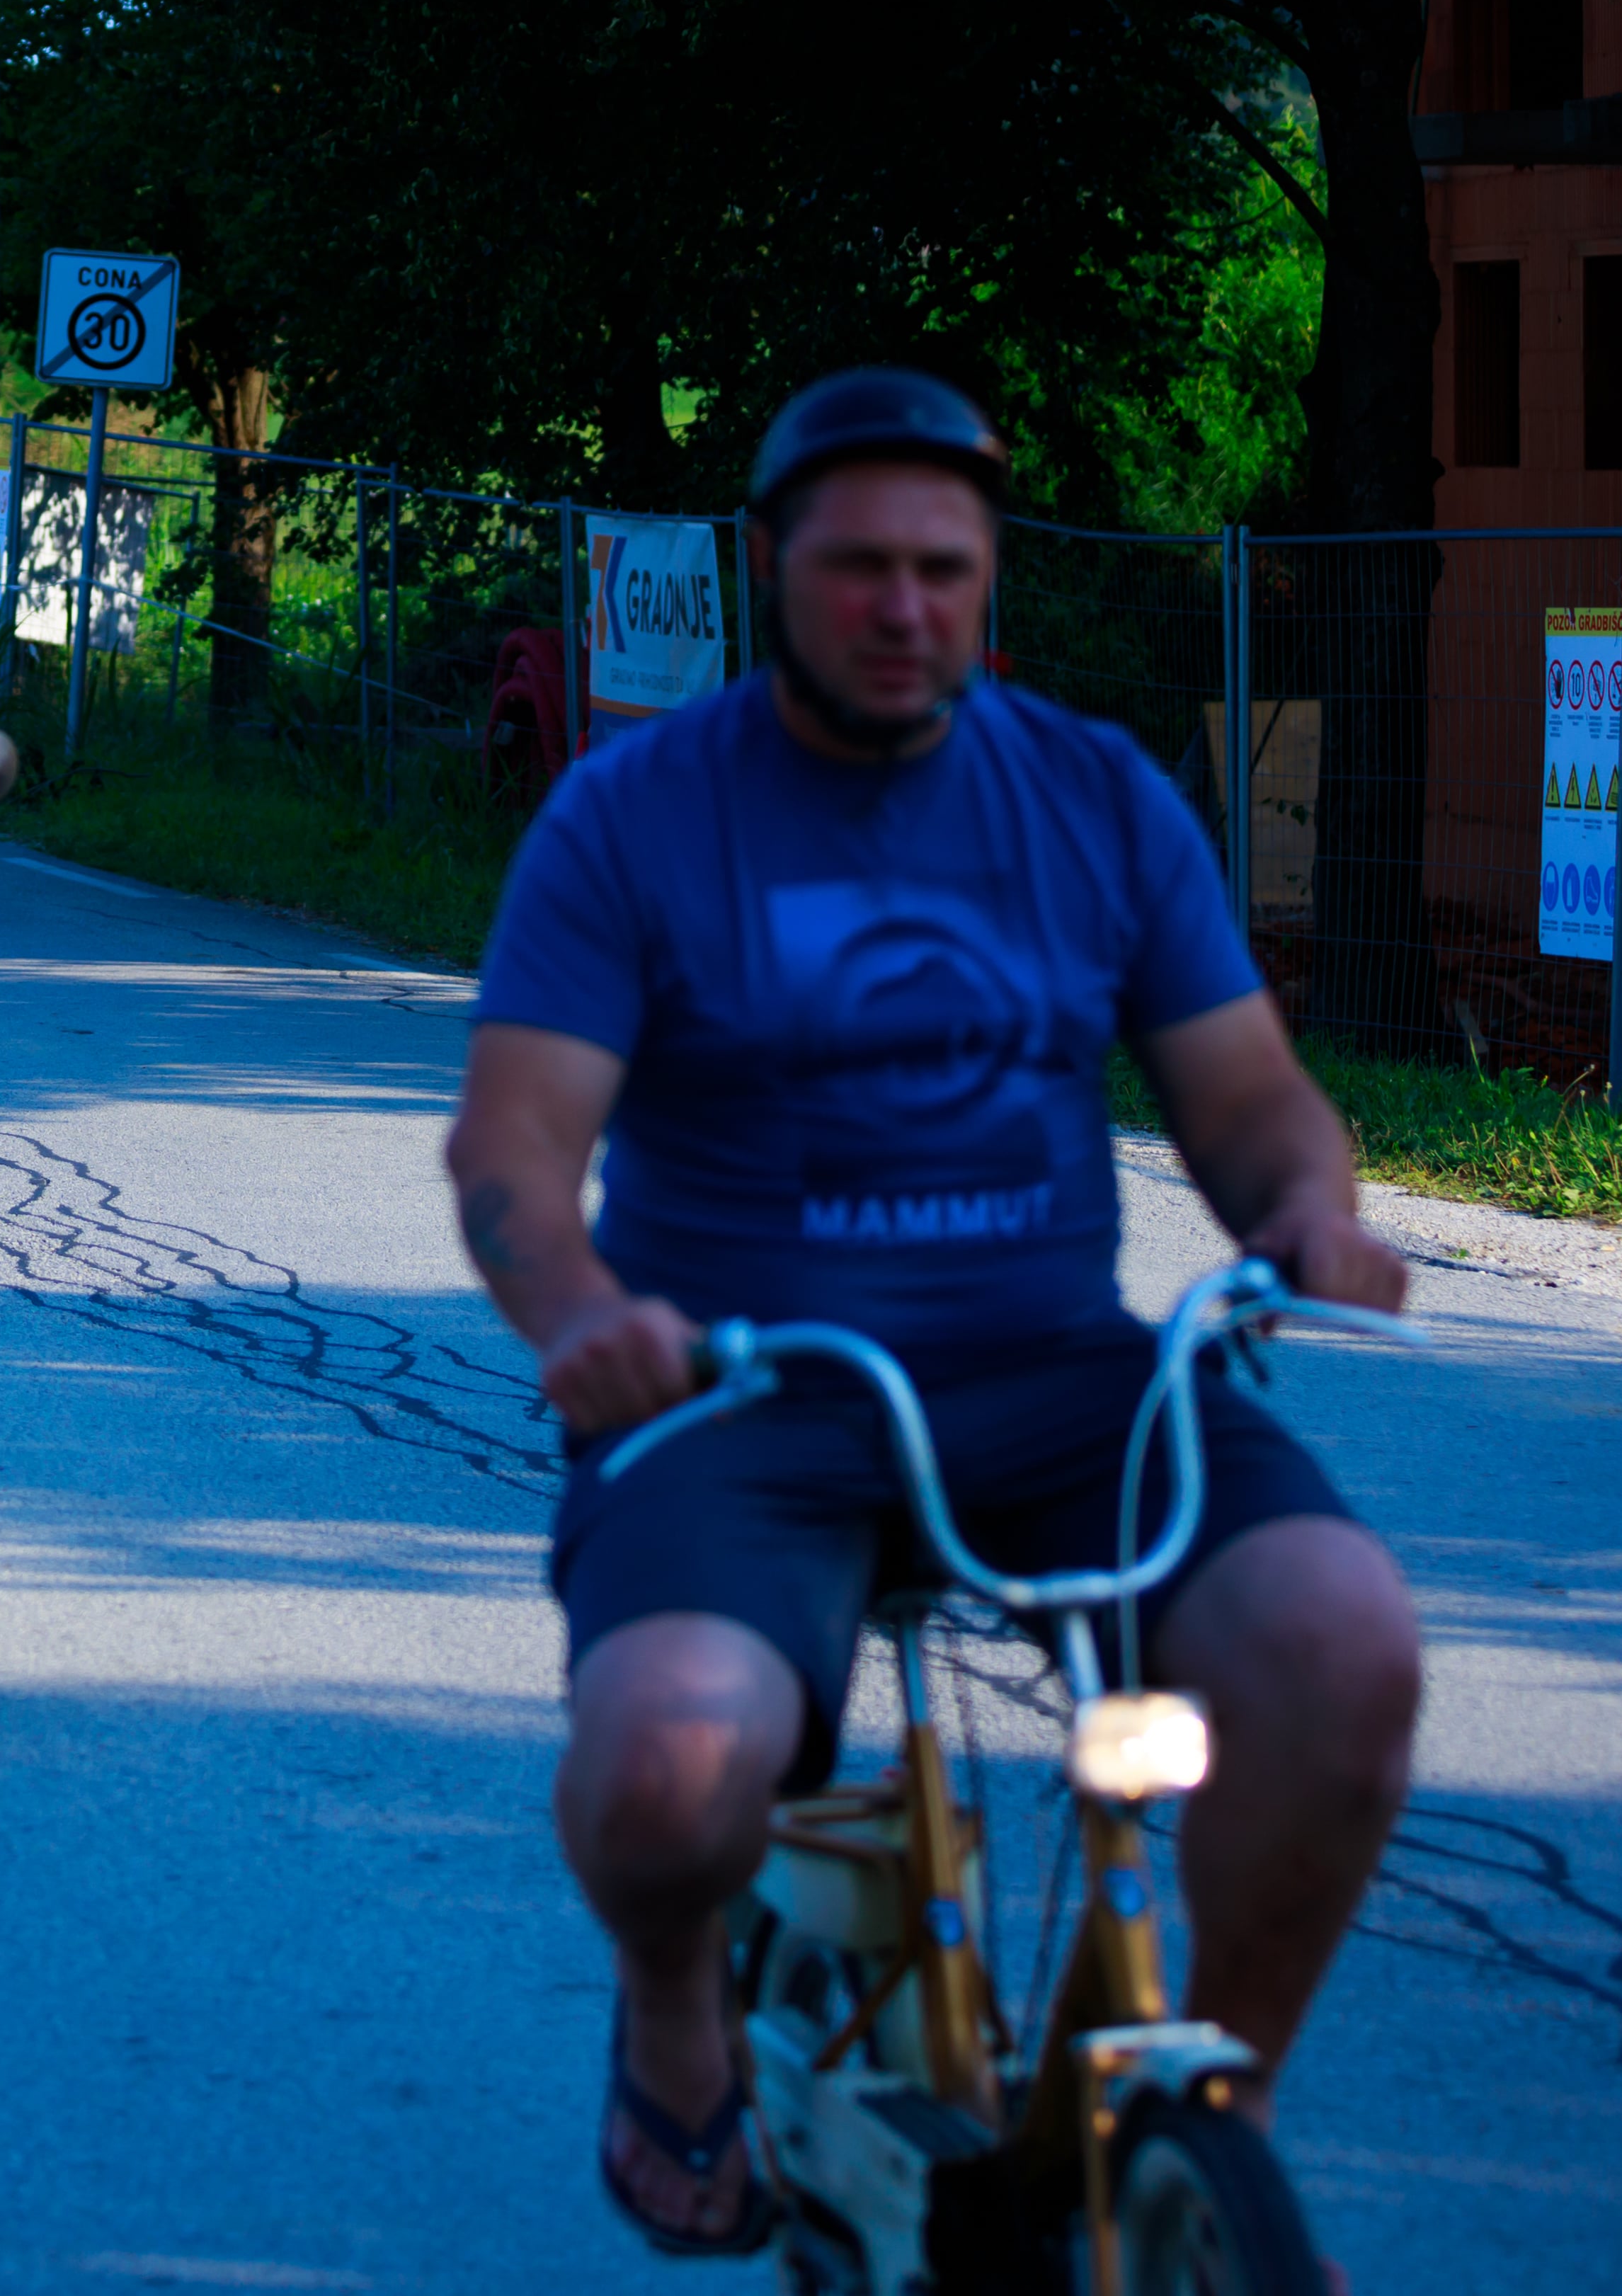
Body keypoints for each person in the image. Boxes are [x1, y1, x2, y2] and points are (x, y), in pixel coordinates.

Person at [440, 367, 1420, 2260]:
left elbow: (1245, 1099)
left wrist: (1306, 1213)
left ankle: (1209, 2134)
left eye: (947, 572)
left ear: (991, 582)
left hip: (1061, 1381)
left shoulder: (1093, 798)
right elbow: (514, 1146)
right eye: (864, 568)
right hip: (742, 1394)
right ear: (770, 566)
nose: (908, 611)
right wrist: (574, 1308)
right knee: (666, 1774)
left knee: (1345, 1648)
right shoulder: (635, 815)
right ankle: (673, 2011)